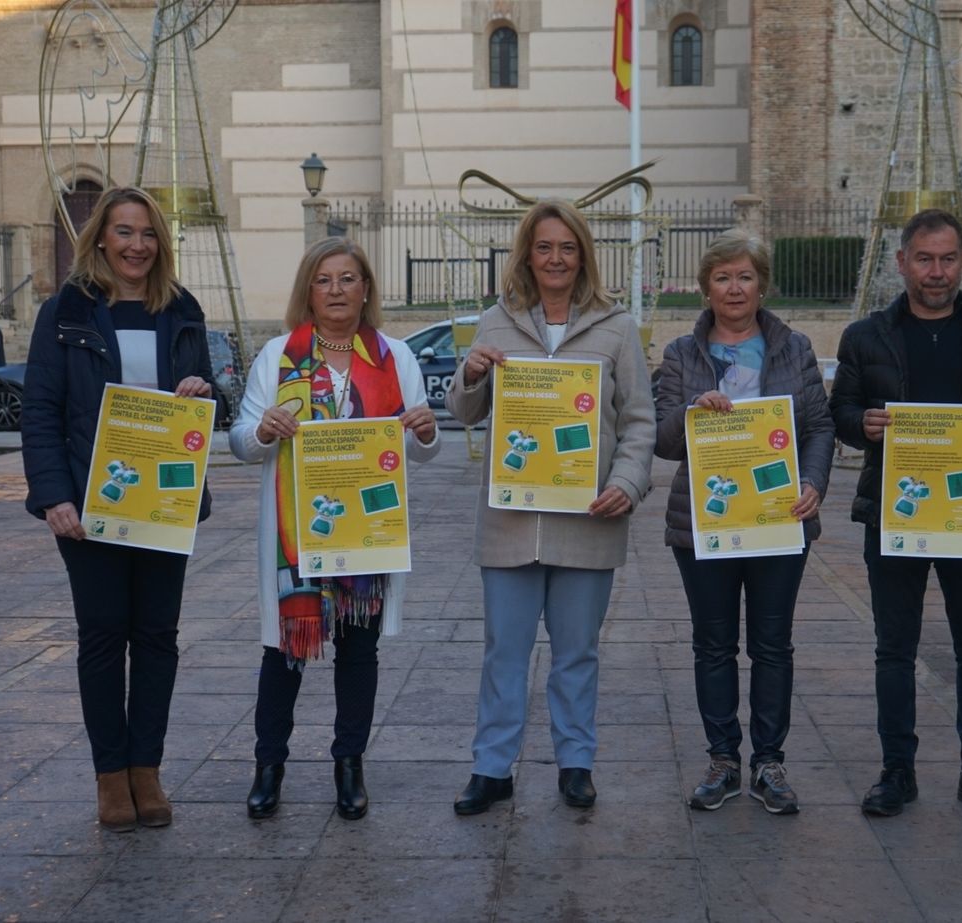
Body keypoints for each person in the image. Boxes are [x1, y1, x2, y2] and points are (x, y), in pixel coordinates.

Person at [447, 199, 655, 814]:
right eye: (544, 247)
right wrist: (474, 373)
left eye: (567, 247)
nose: (556, 258)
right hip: (512, 521)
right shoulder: (496, 321)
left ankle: (575, 762)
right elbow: (464, 412)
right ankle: (492, 768)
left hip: (589, 519)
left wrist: (629, 482)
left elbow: (639, 421)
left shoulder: (616, 328)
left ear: (583, 255)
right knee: (503, 652)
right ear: (527, 256)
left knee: (578, 653)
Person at [21, 186, 215, 832]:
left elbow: (212, 397)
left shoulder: (182, 308)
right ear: (100, 238)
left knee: (157, 637)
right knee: (104, 637)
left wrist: (199, 392)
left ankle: (146, 771)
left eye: (148, 233)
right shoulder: (65, 311)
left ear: (160, 242)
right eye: (124, 232)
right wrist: (53, 495)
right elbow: (41, 411)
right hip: (88, 504)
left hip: (163, 502)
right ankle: (111, 777)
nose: (136, 245)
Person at [229, 237, 441, 821]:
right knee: (285, 652)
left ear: (366, 288)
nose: (337, 290)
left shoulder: (395, 357)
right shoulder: (278, 356)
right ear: (309, 291)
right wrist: (264, 429)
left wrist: (425, 431)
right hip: (296, 534)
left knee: (359, 651)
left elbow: (419, 447)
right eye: (324, 280)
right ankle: (268, 766)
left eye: (348, 279)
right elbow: (241, 441)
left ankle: (349, 765)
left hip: (366, 531)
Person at [829, 208, 962, 822]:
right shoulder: (866, 336)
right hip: (897, 509)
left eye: (947, 259)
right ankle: (897, 771)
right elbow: (841, 412)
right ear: (902, 263)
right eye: (924, 259)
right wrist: (860, 425)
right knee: (895, 648)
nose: (936, 272)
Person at [653, 230, 834, 815]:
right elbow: (659, 438)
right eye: (723, 277)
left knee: (772, 644)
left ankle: (769, 763)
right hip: (703, 522)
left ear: (763, 284)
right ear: (706, 288)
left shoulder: (795, 347)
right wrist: (690, 412)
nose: (735, 287)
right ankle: (723, 760)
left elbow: (819, 427)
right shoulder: (682, 354)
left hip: (780, 519)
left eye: (746, 276)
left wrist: (812, 483)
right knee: (713, 644)